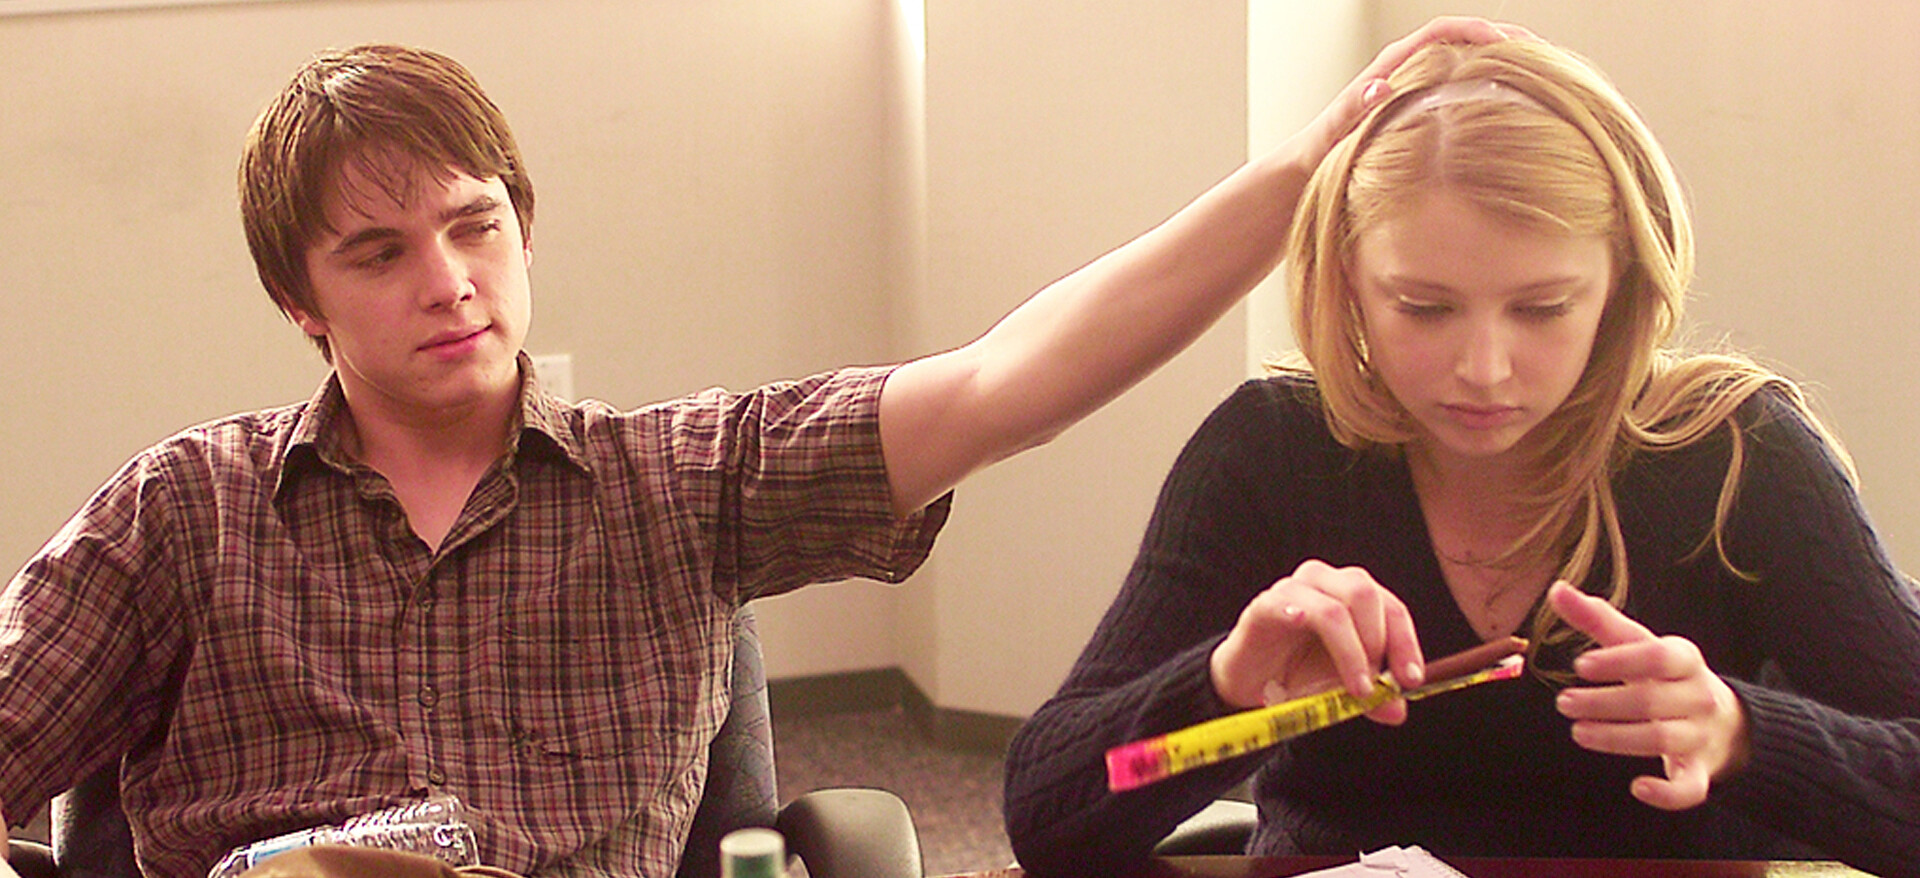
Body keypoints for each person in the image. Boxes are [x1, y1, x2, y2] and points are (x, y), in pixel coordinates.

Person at [0, 18, 1520, 878]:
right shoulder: (184, 512)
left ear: (524, 230)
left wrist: (1301, 171)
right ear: (302, 302)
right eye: (379, 252)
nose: (450, 280)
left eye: (475, 226)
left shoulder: (678, 481)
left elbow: (1008, 381)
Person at [1001, 34, 1920, 878]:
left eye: (1543, 309)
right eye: (1424, 308)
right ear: (1349, 280)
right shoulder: (1272, 450)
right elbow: (1050, 813)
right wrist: (1222, 692)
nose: (1484, 369)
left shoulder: (1736, 454)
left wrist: (1747, 734)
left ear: (1622, 283)